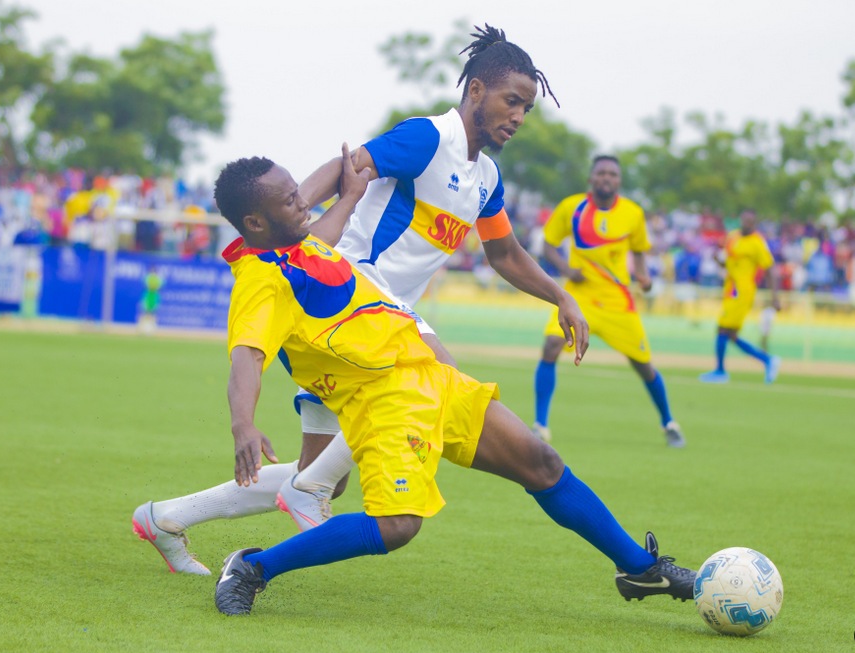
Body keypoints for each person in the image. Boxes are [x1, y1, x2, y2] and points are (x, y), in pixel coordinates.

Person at [133, 25, 592, 571]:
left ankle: (165, 518)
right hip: (352, 291)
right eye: (512, 101)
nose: (518, 115)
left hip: (371, 327)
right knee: (437, 378)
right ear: (476, 91)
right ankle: (301, 496)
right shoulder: (429, 138)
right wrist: (288, 236)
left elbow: (506, 253)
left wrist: (560, 297)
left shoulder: (485, 178)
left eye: (526, 107)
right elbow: (346, 168)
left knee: (325, 475)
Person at [210, 155, 696, 616]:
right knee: (397, 526)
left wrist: (351, 197)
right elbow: (247, 357)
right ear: (255, 222)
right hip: (384, 403)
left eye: (298, 192)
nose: (304, 201)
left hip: (431, 376)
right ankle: (253, 568)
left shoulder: (297, 243)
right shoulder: (260, 283)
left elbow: (326, 235)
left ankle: (642, 570)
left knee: (541, 463)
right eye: (290, 199)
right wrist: (243, 424)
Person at [531, 156, 686, 448]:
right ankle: (540, 426)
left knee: (643, 365)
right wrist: (566, 270)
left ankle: (669, 423)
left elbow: (639, 251)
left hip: (617, 301)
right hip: (579, 297)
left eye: (612, 174)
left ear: (619, 180)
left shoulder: (632, 213)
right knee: (551, 345)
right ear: (591, 178)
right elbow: (548, 245)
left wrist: (643, 276)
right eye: (601, 172)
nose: (606, 177)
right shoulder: (572, 207)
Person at [699, 209, 780, 384]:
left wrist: (775, 297)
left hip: (742, 292)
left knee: (722, 329)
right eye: (744, 221)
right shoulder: (733, 237)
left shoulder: (757, 243)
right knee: (731, 335)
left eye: (750, 222)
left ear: (754, 224)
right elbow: (728, 264)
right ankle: (767, 360)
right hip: (730, 289)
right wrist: (717, 260)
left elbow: (770, 270)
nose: (746, 224)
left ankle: (720, 371)